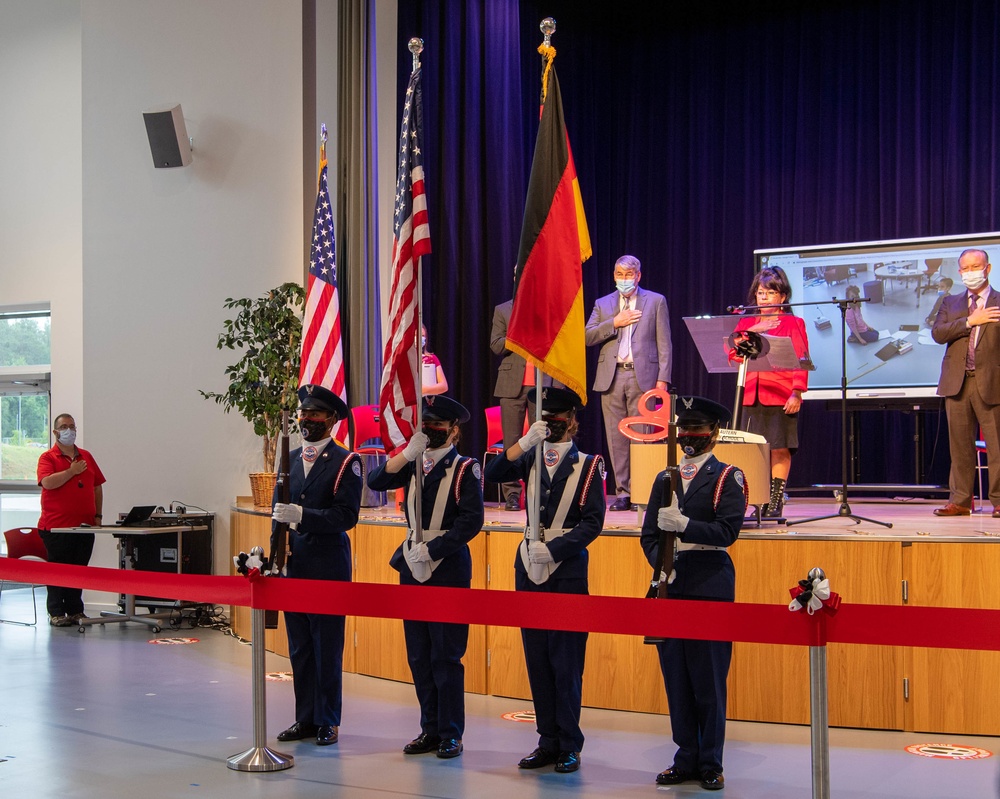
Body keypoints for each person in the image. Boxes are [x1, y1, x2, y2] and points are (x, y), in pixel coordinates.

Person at [483, 387, 606, 774]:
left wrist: (557, 549)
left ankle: (570, 742)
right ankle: (547, 740)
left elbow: (592, 523)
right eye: (545, 417)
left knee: (565, 661)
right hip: (528, 570)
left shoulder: (589, 465)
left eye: (557, 418)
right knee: (537, 659)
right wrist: (521, 442)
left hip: (566, 570)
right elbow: (493, 474)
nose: (551, 423)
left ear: (572, 420)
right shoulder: (531, 455)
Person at [366, 395, 484, 759]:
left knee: (446, 656)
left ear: (453, 431)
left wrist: (434, 549)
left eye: (438, 426)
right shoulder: (414, 462)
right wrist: (405, 453)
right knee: (419, 654)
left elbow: (471, 521)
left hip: (447, 566)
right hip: (411, 569)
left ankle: (450, 733)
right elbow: (376, 480)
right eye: (426, 424)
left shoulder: (466, 468)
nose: (431, 430)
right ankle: (429, 728)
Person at [640, 396, 747, 792]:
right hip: (671, 582)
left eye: (697, 430)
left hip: (709, 581)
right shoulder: (665, 477)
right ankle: (685, 757)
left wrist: (685, 525)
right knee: (677, 678)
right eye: (683, 429)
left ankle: (710, 762)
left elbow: (727, 532)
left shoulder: (727, 477)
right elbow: (649, 535)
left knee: (709, 679)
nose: (688, 437)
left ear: (714, 434)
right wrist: (661, 563)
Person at [272, 384, 363, 746]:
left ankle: (328, 719)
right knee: (300, 648)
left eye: (315, 414)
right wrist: (274, 557)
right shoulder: (290, 458)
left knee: (326, 646)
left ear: (331, 420)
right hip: (295, 563)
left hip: (327, 564)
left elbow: (346, 516)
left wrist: (304, 515)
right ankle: (305, 718)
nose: (306, 420)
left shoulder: (346, 461)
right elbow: (279, 513)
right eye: (304, 414)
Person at [585, 254, 672, 511]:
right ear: (614, 276)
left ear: (638, 276)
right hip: (611, 376)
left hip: (642, 375)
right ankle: (623, 492)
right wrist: (614, 322)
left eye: (629, 274)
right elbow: (587, 335)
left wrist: (663, 379)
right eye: (620, 274)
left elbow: (664, 343)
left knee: (642, 437)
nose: (624, 279)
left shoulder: (655, 301)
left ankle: (643, 491)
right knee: (616, 437)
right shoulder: (604, 303)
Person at [728, 266, 809, 518]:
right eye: (760, 292)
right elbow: (731, 354)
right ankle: (758, 500)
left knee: (779, 448)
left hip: (780, 394)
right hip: (750, 393)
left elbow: (802, 358)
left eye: (770, 292)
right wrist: (756, 329)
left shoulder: (793, 322)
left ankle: (775, 501)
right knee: (752, 450)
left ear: (782, 297)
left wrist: (797, 392)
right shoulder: (746, 322)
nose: (764, 297)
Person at [931, 248, 1000, 516]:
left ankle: (998, 500)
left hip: (991, 381)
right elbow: (938, 333)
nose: (971, 272)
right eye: (966, 268)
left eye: (976, 267)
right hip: (957, 382)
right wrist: (971, 321)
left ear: (988, 268)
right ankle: (960, 501)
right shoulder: (951, 303)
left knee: (996, 445)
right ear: (959, 272)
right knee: (959, 446)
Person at [37, 413, 106, 627]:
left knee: (78, 569)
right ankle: (56, 612)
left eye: (72, 426)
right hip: (56, 527)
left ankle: (76, 610)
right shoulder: (48, 457)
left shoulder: (86, 455)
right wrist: (71, 471)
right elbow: (47, 483)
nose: (69, 430)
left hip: (84, 527)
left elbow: (97, 486)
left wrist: (98, 516)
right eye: (64, 427)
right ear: (56, 432)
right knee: (58, 570)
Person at [490, 296, 554, 511]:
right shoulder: (503, 309)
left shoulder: (548, 308)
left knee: (543, 440)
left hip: (542, 383)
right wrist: (516, 336)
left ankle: (541, 489)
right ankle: (513, 494)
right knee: (512, 442)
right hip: (511, 384)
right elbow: (496, 345)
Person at [421, 324, 448, 396]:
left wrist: (425, 389)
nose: (421, 338)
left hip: (428, 401)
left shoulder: (431, 358)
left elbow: (444, 386)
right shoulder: (408, 360)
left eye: (423, 336)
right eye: (417, 335)